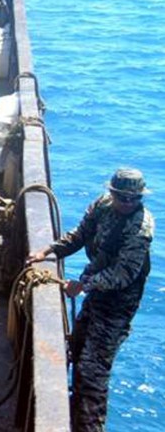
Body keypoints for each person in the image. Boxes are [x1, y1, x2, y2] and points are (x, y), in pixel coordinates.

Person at [26, 168, 154, 432]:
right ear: (112, 193)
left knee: (93, 374)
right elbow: (81, 234)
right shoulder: (103, 205)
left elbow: (123, 274)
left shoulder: (140, 230)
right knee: (76, 346)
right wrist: (48, 250)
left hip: (116, 308)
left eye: (134, 199)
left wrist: (83, 285)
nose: (128, 203)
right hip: (97, 295)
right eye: (123, 197)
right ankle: (71, 416)